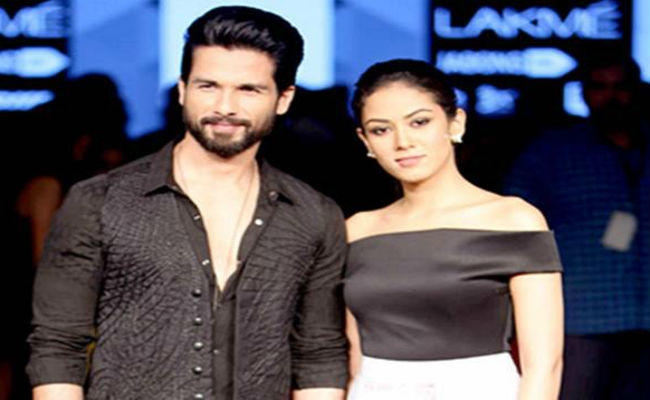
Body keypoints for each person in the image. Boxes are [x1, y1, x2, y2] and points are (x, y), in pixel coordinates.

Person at [26, 6, 348, 400]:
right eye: (208, 86)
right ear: (182, 90)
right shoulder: (99, 201)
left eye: (248, 89)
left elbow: (318, 354)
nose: (225, 106)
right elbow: (58, 345)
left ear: (283, 98)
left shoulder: (314, 215)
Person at [343, 59, 564, 399]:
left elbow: (544, 366)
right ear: (365, 140)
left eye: (419, 122)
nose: (403, 141)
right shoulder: (357, 230)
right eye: (381, 130)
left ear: (455, 122)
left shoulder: (513, 219)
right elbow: (354, 355)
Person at [503, 53, 650, 399]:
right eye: (600, 87)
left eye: (621, 86)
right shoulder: (550, 152)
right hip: (582, 317)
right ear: (584, 93)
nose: (612, 96)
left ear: (638, 89)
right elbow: (514, 226)